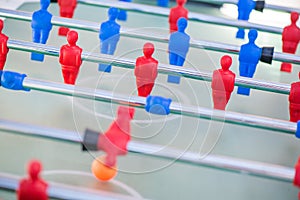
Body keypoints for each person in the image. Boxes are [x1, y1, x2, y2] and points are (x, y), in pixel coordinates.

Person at [237, 29, 261, 96]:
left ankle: (244, 90)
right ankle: (242, 90)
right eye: (250, 35)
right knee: (243, 77)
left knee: (248, 78)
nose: (251, 37)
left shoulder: (257, 49)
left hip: (250, 64)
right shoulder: (243, 47)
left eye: (253, 35)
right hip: (244, 64)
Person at [168, 17, 190, 84]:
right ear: (177, 24)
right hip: (174, 52)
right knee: (172, 66)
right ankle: (171, 80)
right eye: (180, 24)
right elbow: (170, 45)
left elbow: (186, 47)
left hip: (181, 53)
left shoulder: (187, 37)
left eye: (183, 24)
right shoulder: (173, 35)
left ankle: (175, 81)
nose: (181, 26)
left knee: (178, 67)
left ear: (186, 26)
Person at [98, 7, 120, 72]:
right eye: (112, 13)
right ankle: (103, 67)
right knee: (104, 52)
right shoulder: (104, 24)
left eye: (114, 14)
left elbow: (116, 38)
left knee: (109, 53)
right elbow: (101, 35)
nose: (113, 15)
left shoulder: (117, 26)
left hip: (110, 44)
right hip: (105, 42)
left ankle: (106, 68)